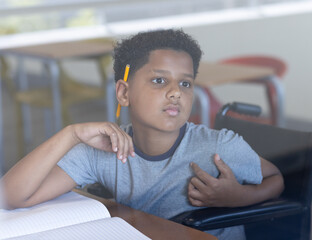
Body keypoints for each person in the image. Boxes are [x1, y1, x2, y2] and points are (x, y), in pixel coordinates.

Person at [1, 29, 284, 239]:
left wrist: (237, 197)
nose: (175, 92)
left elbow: (276, 179)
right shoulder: (104, 150)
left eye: (185, 83)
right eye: (159, 80)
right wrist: (71, 134)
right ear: (124, 93)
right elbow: (11, 197)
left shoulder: (218, 147)